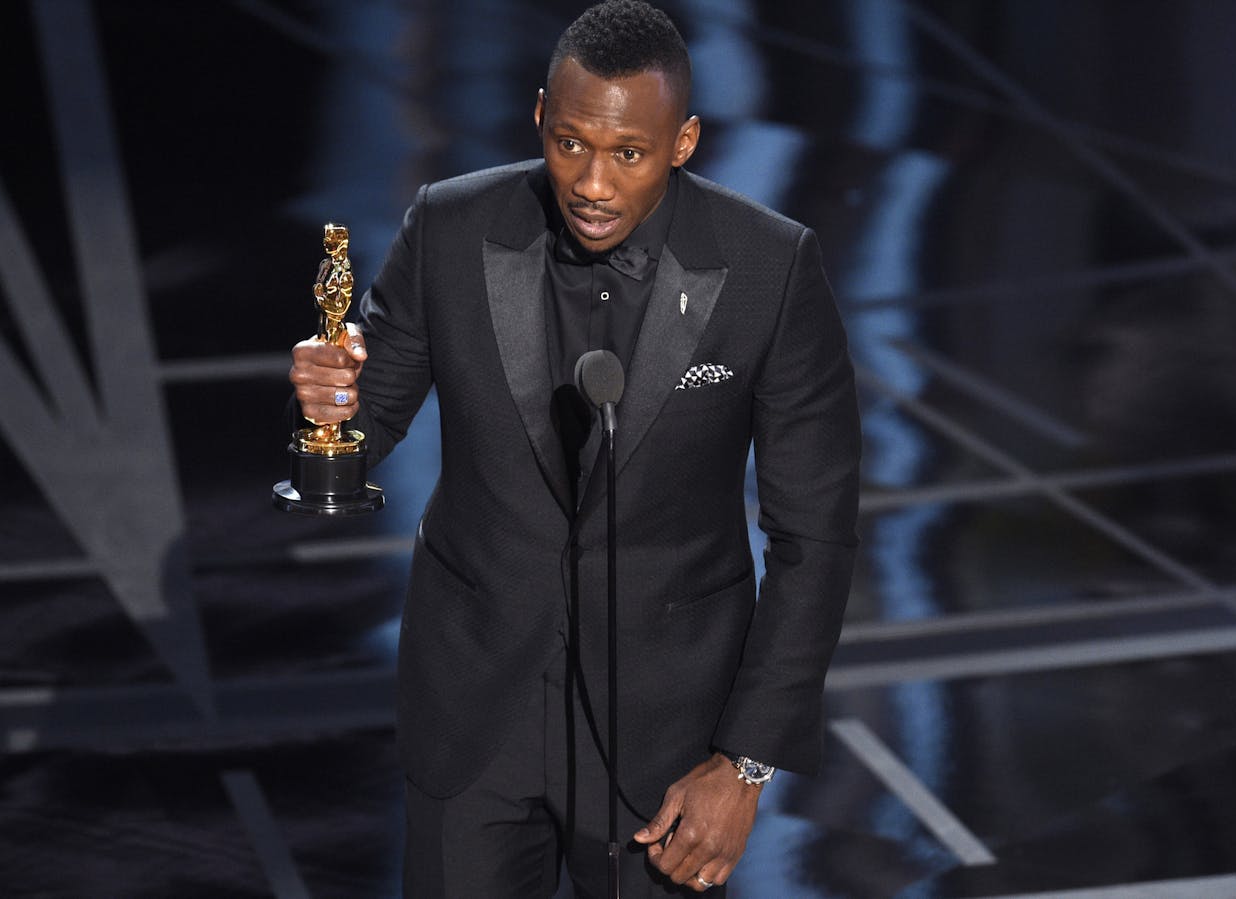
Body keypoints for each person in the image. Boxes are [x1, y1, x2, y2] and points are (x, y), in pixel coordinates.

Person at [289, 1, 860, 894]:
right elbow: (365, 429)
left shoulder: (768, 269)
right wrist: (331, 413)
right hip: (474, 720)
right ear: (538, 121)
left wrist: (744, 764)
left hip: (669, 745)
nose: (592, 182)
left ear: (684, 142)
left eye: (628, 153)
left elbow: (815, 534)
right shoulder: (450, 228)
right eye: (569, 144)